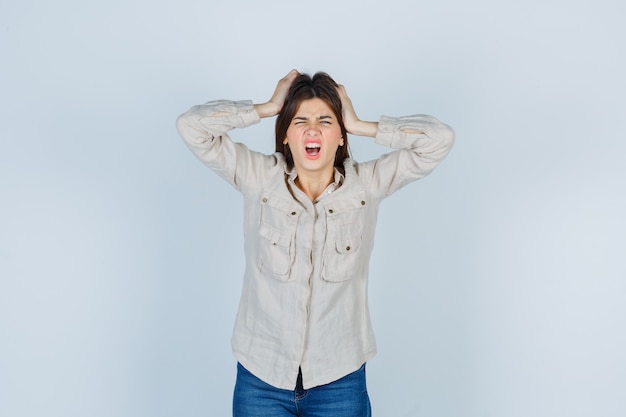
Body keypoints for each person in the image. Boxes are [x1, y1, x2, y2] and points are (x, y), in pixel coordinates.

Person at [176, 70, 455, 417]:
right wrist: (265, 107)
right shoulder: (259, 178)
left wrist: (361, 123)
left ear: (340, 136)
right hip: (261, 378)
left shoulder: (366, 185)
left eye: (325, 121)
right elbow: (191, 126)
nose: (312, 129)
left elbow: (439, 139)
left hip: (340, 380)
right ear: (286, 136)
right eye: (299, 121)